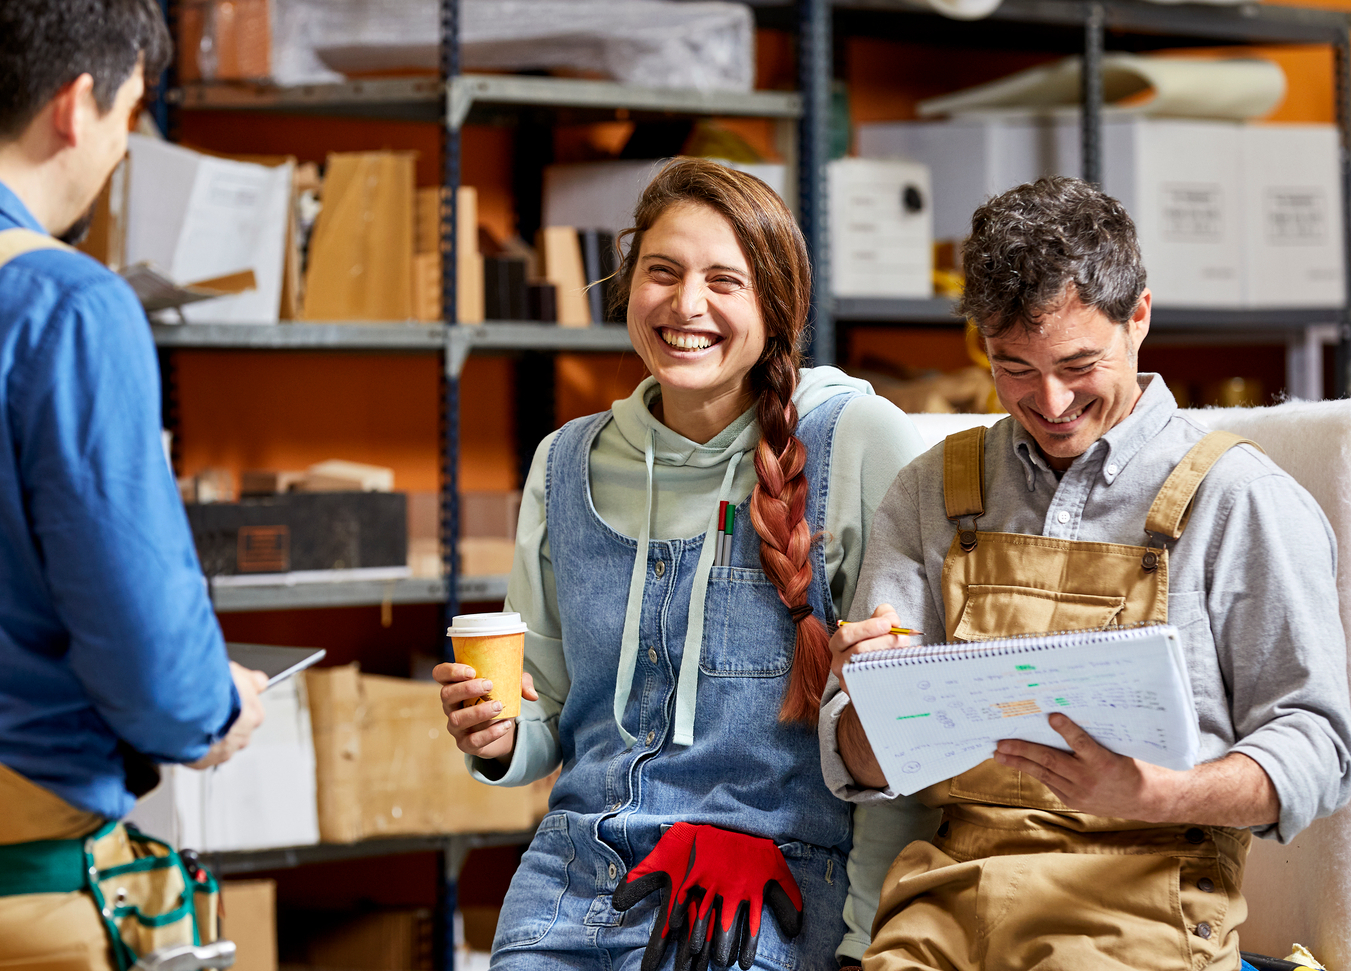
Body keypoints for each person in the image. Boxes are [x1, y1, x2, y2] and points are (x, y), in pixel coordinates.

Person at [823, 175, 1351, 971]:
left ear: (1138, 316)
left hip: (1145, 898)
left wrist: (1160, 794)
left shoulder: (1239, 498)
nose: (1050, 400)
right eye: (1013, 367)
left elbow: (1321, 746)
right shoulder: (932, 491)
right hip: (947, 900)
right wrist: (869, 698)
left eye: (1077, 363)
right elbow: (859, 764)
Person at [435, 158, 928, 969]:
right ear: (628, 286)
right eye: (661, 273)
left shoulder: (856, 442)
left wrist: (867, 943)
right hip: (570, 886)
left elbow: (906, 739)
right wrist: (496, 735)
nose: (685, 304)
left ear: (776, 305)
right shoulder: (563, 462)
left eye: (723, 281)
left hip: (761, 898)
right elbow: (543, 711)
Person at [0, 0, 267, 969]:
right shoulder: (65, 308)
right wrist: (212, 704)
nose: (119, 151)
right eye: (128, 114)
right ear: (77, 104)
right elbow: (152, 661)